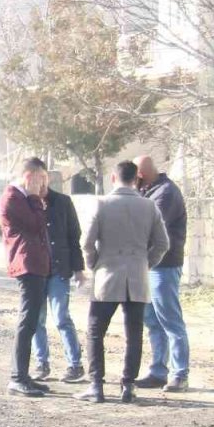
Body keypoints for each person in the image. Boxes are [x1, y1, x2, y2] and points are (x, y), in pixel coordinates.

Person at [74, 160, 170, 404]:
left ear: (114, 178)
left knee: (96, 331)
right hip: (137, 276)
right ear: (136, 179)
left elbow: (86, 242)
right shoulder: (149, 206)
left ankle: (96, 385)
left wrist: (94, 262)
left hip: (107, 274)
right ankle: (128, 386)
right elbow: (163, 244)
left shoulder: (102, 204)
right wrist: (146, 263)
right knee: (134, 333)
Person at [134, 156, 191, 393]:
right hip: (149, 266)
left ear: (140, 176)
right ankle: (158, 371)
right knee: (153, 321)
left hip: (164, 265)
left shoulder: (165, 193)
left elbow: (149, 228)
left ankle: (180, 374)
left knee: (170, 321)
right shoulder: (150, 191)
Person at [0, 157, 52, 398]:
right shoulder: (14, 198)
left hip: (36, 265)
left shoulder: (24, 198)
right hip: (27, 265)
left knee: (32, 323)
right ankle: (17, 377)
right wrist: (34, 197)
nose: (43, 185)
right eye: (40, 178)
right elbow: (36, 225)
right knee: (27, 321)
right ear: (29, 176)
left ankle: (24, 374)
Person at [32, 185, 87, 384]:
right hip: (35, 271)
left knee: (61, 317)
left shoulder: (62, 202)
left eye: (43, 178)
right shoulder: (26, 202)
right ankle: (41, 363)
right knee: (36, 319)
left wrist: (78, 268)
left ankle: (75, 364)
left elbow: (74, 237)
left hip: (58, 269)